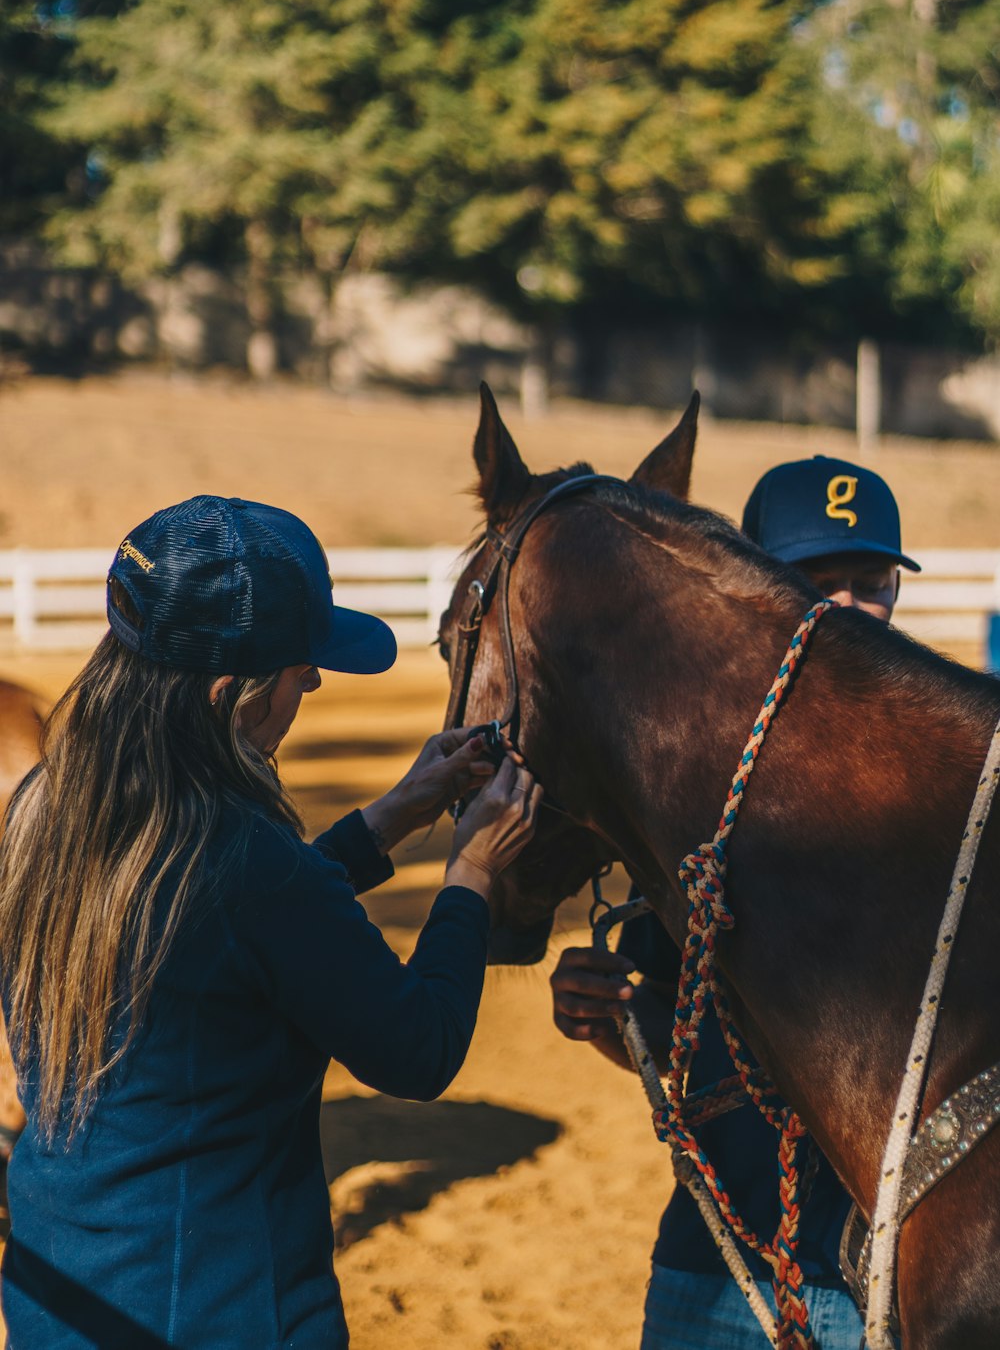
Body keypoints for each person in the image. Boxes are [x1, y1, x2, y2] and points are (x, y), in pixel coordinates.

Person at [0, 494, 542, 1350]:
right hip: (227, 1316)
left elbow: (213, 941)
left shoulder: (43, 813)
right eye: (299, 667)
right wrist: (471, 873)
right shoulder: (249, 862)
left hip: (60, 1302)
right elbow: (419, 1050)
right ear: (230, 694)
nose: (314, 681)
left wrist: (392, 815)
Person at [550, 455, 919, 1350]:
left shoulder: (954, 787)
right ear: (756, 591)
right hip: (717, 1261)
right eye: (814, 584)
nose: (851, 610)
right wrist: (609, 1016)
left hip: (908, 1280)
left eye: (873, 584)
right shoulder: (693, 793)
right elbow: (673, 1025)